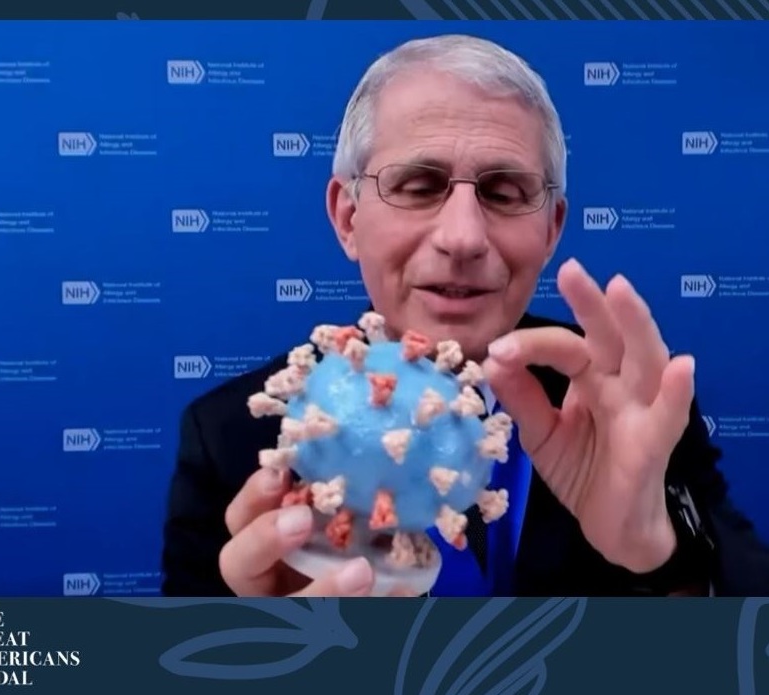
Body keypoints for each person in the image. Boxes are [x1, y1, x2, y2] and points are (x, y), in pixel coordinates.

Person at [159, 34, 769, 597]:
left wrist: (661, 557)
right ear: (348, 218)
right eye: (418, 186)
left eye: (504, 193)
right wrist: (264, 653)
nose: (463, 237)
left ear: (552, 229)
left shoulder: (627, 402)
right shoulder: (236, 439)